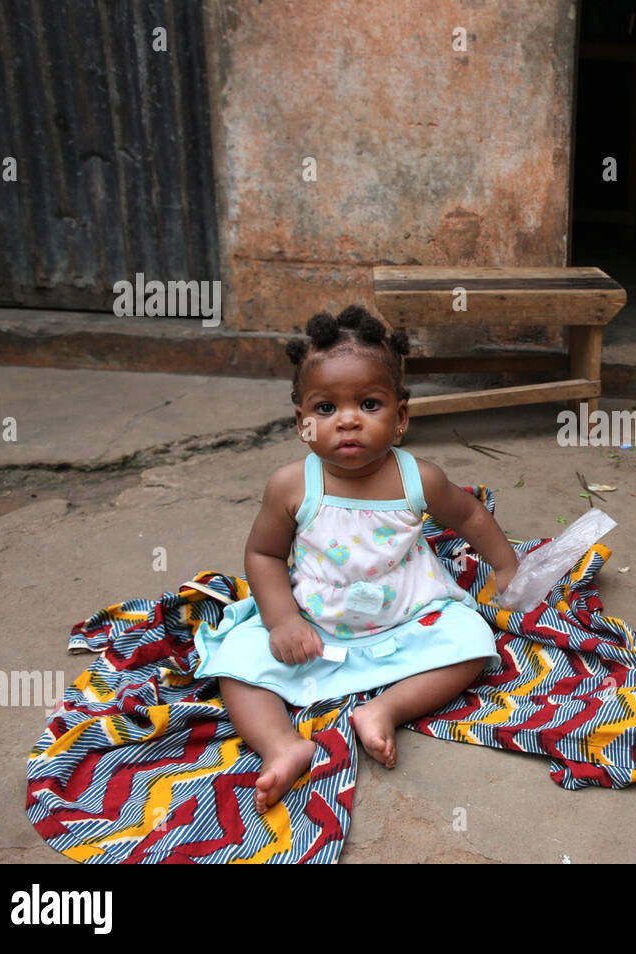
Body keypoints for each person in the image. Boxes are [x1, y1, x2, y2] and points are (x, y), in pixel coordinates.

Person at [194, 305, 518, 813]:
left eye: (369, 404)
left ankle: (382, 709)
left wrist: (507, 567)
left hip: (407, 615)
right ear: (301, 424)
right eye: (325, 409)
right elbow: (263, 554)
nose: (347, 421)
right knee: (234, 661)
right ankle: (282, 745)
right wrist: (281, 621)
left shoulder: (418, 479)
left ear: (401, 416)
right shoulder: (291, 485)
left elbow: (471, 517)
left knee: (473, 642)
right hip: (315, 623)